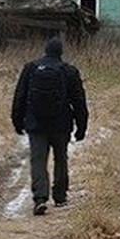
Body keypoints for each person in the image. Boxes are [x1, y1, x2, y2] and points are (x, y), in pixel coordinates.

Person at [11, 36, 89, 216]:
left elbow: (20, 97)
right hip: (61, 124)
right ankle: (60, 195)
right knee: (61, 158)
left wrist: (17, 121)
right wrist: (81, 127)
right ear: (61, 52)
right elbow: (79, 101)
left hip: (35, 124)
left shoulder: (30, 69)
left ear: (45, 50)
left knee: (38, 160)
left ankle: (40, 197)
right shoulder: (69, 71)